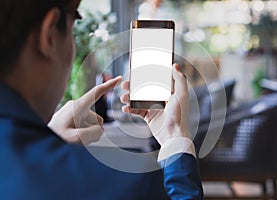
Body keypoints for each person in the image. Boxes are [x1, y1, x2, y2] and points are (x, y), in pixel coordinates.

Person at [0, 0, 203, 199]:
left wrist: (49, 139)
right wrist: (174, 135)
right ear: (49, 35)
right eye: (74, 24)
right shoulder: (129, 186)